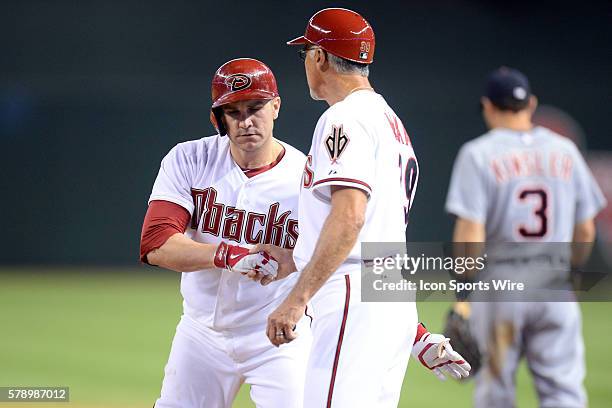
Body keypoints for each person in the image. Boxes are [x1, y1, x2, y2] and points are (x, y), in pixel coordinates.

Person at [250, 8, 470, 408]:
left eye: (306, 54)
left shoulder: (343, 118)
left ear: (319, 57)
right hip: (390, 289)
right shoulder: (390, 120)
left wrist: (298, 297)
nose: (306, 64)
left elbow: (350, 217)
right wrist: (412, 331)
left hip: (353, 289)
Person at [139, 58, 311, 408]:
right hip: (200, 333)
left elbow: (347, 253)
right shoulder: (189, 159)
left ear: (276, 106)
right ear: (217, 118)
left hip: (278, 337)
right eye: (233, 111)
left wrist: (411, 332)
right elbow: (156, 244)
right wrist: (231, 256)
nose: (246, 120)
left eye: (256, 107)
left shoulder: (308, 176)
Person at [445, 66, 607, 407]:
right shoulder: (565, 150)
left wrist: (463, 288)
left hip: (502, 287)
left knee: (496, 390)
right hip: (554, 286)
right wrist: (572, 271)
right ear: (530, 104)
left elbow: (470, 233)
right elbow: (586, 228)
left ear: (487, 106)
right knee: (564, 392)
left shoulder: (478, 153)